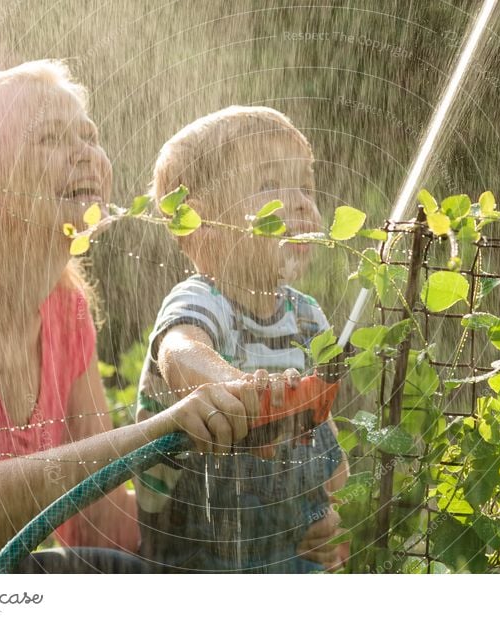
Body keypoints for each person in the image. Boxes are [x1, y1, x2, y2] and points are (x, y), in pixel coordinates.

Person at [0, 60, 263, 569]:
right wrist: (150, 434)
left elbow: (96, 522)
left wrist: (256, 523)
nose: (86, 153)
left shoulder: (67, 311)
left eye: (89, 136)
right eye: (50, 138)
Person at [135, 106, 349, 572]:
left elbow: (325, 436)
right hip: (193, 555)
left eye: (306, 188)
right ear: (198, 223)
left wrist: (331, 514)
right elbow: (181, 354)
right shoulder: (201, 301)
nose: (298, 203)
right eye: (270, 184)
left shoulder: (307, 317)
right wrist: (238, 388)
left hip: (284, 539)